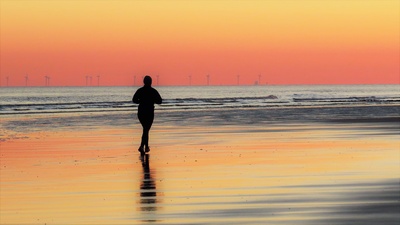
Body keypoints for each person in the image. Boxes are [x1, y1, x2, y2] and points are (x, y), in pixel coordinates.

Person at [132, 76, 162, 153]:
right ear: (151, 82)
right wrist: (152, 100)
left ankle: (145, 147)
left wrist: (141, 101)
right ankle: (143, 146)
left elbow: (134, 100)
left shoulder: (140, 90)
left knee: (145, 129)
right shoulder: (153, 91)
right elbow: (160, 101)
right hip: (149, 112)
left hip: (141, 111)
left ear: (143, 82)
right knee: (146, 129)